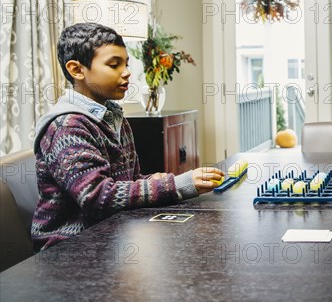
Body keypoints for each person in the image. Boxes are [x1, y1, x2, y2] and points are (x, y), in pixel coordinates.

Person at [32, 23, 224, 251]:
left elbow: (126, 181)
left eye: (126, 64)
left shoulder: (114, 117)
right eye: (114, 65)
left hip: (112, 234)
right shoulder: (67, 126)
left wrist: (151, 181)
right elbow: (98, 197)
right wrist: (176, 185)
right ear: (77, 70)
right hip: (68, 249)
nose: (126, 72)